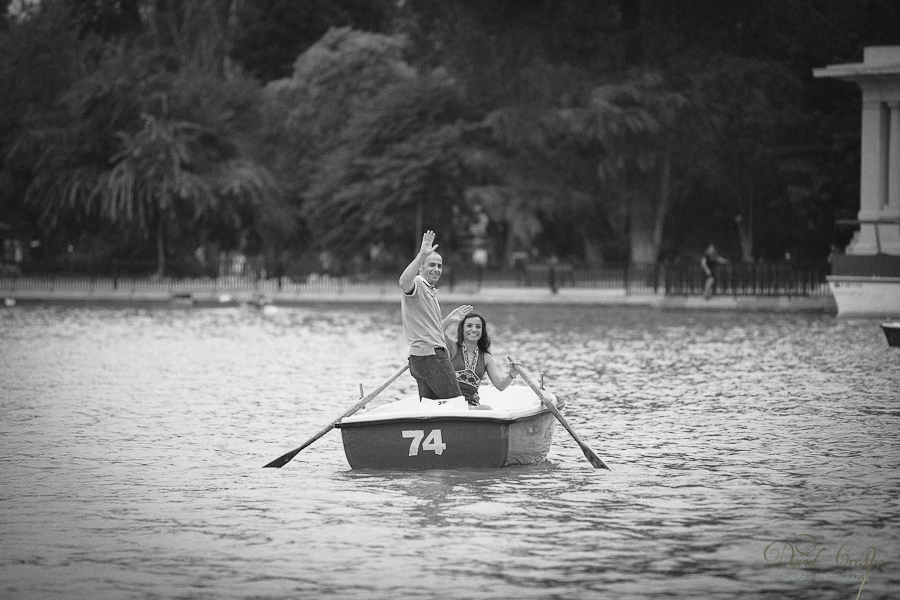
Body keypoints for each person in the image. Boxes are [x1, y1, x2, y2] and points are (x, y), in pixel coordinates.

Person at [399, 230, 468, 401]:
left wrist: (449, 320)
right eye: (431, 265)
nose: (436, 269)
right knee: (455, 404)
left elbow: (433, 332)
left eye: (439, 266)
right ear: (420, 267)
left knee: (431, 410)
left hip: (419, 359)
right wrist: (421, 255)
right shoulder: (418, 284)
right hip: (432, 358)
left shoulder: (429, 291)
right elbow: (403, 282)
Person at [444, 310, 519, 408]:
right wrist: (449, 319)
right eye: (469, 326)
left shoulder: (486, 357)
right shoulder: (452, 348)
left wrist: (511, 375)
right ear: (462, 329)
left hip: (472, 406)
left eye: (478, 327)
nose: (474, 329)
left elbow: (500, 386)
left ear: (482, 331)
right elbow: (436, 333)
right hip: (450, 405)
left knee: (486, 409)